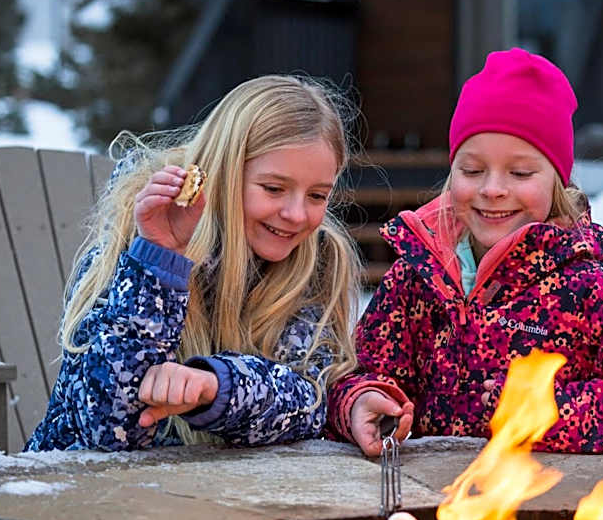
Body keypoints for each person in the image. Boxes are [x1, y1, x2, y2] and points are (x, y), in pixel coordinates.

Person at [327, 49, 603, 456]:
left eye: (520, 173)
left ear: (556, 182)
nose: (492, 189)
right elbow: (363, 371)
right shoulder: (417, 278)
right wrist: (362, 399)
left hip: (551, 507)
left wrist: (548, 411)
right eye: (472, 170)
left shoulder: (586, 288)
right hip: (431, 504)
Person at [25, 75, 362, 451]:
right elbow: (106, 426)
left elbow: (311, 403)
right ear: (224, 172)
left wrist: (218, 386)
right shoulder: (135, 240)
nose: (297, 214)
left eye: (317, 195)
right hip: (76, 490)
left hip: (226, 496)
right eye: (273, 188)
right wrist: (158, 263)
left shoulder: (316, 263)